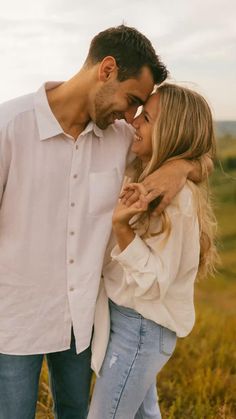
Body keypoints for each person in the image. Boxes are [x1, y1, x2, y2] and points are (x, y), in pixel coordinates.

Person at [0, 25, 211, 419]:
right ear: (107, 69)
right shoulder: (9, 125)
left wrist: (182, 166)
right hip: (13, 320)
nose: (131, 117)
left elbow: (185, 150)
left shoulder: (118, 139)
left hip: (81, 321)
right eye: (132, 100)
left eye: (139, 110)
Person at [88, 83, 218, 419]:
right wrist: (183, 165)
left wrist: (121, 229)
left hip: (142, 327)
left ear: (171, 132)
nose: (134, 121)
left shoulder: (177, 200)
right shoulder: (144, 169)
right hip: (130, 320)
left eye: (146, 117)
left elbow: (155, 282)